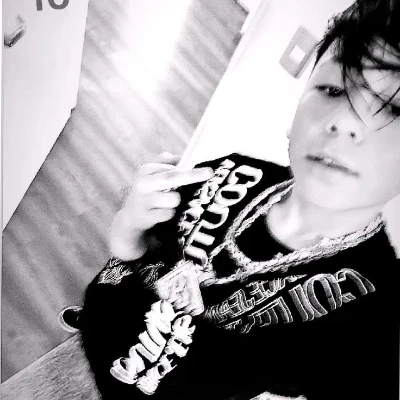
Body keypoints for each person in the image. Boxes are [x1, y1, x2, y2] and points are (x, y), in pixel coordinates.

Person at [78, 0, 400, 399]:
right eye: (333, 90)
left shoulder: (375, 313)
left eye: (395, 109)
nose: (345, 120)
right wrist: (129, 224)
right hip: (101, 334)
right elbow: (129, 253)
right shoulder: (228, 171)